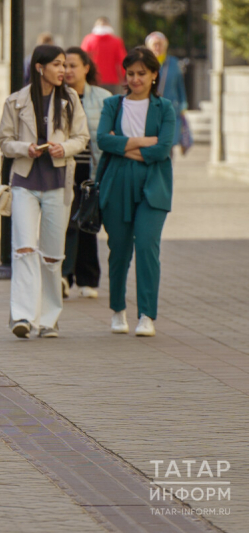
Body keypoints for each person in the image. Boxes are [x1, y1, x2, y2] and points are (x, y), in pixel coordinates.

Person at [0, 44, 89, 340]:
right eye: (58, 65)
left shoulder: (71, 99)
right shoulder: (16, 101)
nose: (64, 70)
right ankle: (22, 315)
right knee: (23, 249)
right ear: (40, 67)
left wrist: (66, 147)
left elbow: (82, 137)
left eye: (65, 65)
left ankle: (49, 318)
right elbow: (4, 140)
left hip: (59, 184)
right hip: (24, 182)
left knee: (52, 255)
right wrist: (26, 148)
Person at [98, 46, 176, 338]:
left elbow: (162, 149)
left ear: (154, 75)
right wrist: (143, 142)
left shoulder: (165, 107)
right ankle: (118, 310)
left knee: (146, 248)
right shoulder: (112, 105)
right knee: (118, 251)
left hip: (154, 186)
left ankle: (146, 315)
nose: (135, 79)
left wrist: (125, 145)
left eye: (142, 73)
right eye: (130, 73)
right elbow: (103, 140)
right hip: (116, 183)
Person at [61, 48, 112, 299]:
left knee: (87, 224)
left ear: (86, 68)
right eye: (64, 66)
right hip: (63, 171)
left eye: (73, 66)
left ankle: (88, 279)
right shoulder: (57, 97)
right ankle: (63, 276)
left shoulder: (103, 98)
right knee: (64, 225)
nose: (68, 71)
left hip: (91, 171)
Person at [145, 30, 188, 120]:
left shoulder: (173, 63)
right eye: (154, 44)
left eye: (160, 44)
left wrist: (183, 104)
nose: (157, 47)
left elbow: (179, 84)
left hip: (171, 108)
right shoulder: (144, 64)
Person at [81, 17, 127, 93]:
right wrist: (124, 79)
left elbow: (82, 60)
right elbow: (122, 62)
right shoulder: (116, 41)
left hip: (93, 79)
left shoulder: (88, 40)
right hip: (111, 80)